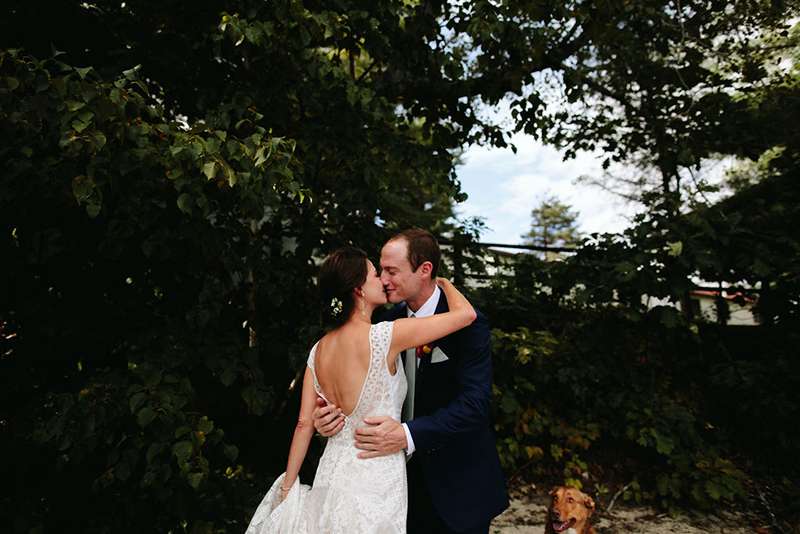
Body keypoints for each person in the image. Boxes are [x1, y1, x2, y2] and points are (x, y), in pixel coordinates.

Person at [244, 246, 477, 534]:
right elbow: (466, 315)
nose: (383, 280)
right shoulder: (386, 335)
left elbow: (304, 424)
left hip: (330, 477)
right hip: (375, 479)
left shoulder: (318, 350)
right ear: (359, 289)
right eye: (375, 274)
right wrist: (442, 282)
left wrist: (288, 488)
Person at [314, 229, 509, 534]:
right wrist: (327, 417)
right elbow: (358, 392)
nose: (383, 279)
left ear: (425, 270)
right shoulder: (381, 324)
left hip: (458, 486)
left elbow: (475, 404)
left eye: (392, 271)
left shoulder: (468, 323)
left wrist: (407, 435)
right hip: (390, 488)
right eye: (380, 271)